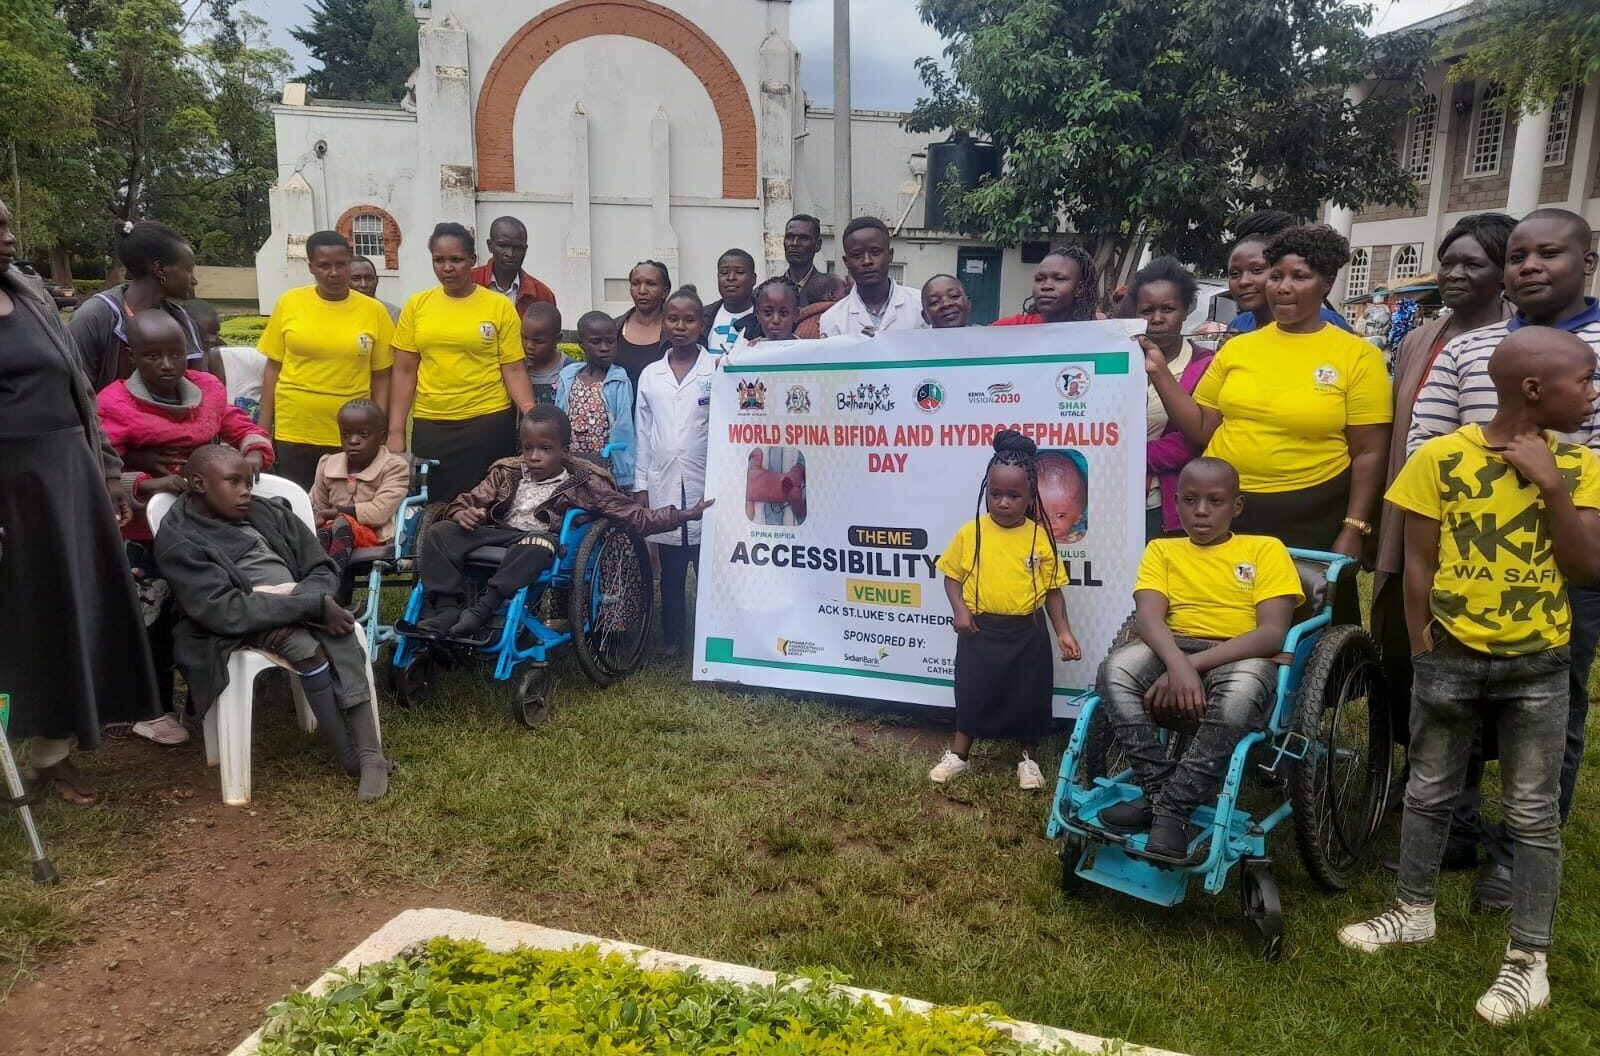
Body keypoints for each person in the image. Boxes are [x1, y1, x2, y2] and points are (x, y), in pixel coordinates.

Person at [1339, 327, 1600, 1025]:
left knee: (1532, 813)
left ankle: (1527, 960)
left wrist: (1549, 483)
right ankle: (1413, 908)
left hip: (1538, 665)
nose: (1594, 394)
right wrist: (1424, 643)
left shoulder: (1580, 466)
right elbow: (1420, 560)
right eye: (1587, 380)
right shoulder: (1439, 460)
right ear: (1536, 389)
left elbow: (1587, 566)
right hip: (1448, 658)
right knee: (1428, 790)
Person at [1407, 207, 1600, 914]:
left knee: (1554, 705)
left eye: (1548, 253)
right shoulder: (1473, 349)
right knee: (1453, 697)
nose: (1528, 266)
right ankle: (1452, 826)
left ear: (1587, 259)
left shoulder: (1593, 360)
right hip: (1464, 561)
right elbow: (1425, 439)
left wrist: (1551, 489)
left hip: (1563, 560)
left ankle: (1518, 853)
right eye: (1518, 254)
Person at [0, 198, 158, 804]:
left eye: (10, 224)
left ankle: (52, 756)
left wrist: (109, 472)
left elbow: (80, 392)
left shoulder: (30, 293)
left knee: (69, 608)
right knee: (18, 619)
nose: (11, 239)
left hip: (66, 474)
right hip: (9, 486)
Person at [1373, 213, 1515, 868]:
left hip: (1477, 538)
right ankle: (1416, 774)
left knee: (1466, 670)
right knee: (1406, 654)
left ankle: (1460, 808)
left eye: (1473, 264)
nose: (1456, 274)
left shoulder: (1516, 343)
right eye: (1449, 261)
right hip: (1410, 520)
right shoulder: (1421, 336)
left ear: (1503, 272)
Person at [155, 445, 392, 801]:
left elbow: (320, 565)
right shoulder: (179, 539)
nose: (245, 491)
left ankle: (370, 756)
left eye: (248, 482)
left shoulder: (266, 511)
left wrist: (309, 600)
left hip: (294, 599)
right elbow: (223, 609)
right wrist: (309, 606)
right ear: (198, 484)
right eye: (233, 482)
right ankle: (348, 756)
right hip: (231, 622)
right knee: (304, 648)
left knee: (341, 630)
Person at [1095, 457, 1301, 856]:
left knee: (1240, 697)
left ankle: (1172, 807)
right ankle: (1161, 792)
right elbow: (1149, 617)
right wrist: (1176, 663)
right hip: (1173, 645)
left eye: (1215, 501)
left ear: (1236, 506)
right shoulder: (1161, 550)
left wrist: (1189, 669)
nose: (1201, 511)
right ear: (1176, 503)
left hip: (1240, 651)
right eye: (1190, 500)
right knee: (1114, 670)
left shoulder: (1265, 550)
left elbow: (1272, 632)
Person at [1153, 225, 1391, 560]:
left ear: (1326, 283)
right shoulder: (1238, 347)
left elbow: (1370, 453)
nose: (1283, 288)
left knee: (1302, 610)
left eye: (1300, 277)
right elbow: (1203, 426)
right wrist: (1159, 373)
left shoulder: (1357, 356)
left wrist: (1353, 527)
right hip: (1232, 511)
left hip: (1312, 514)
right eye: (1277, 276)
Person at [97, 311, 276, 742]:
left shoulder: (208, 390)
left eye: (175, 354)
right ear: (131, 355)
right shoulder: (114, 403)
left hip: (206, 528)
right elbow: (100, 463)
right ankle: (151, 707)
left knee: (200, 609)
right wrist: (143, 480)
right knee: (151, 617)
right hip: (145, 529)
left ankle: (204, 698)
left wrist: (253, 451)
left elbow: (239, 426)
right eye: (152, 355)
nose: (166, 364)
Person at [414, 406, 711, 638]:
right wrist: (461, 512)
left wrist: (682, 515)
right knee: (440, 532)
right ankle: (446, 608)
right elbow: (467, 500)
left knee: (536, 543)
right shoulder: (505, 472)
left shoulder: (583, 482)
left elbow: (633, 515)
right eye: (527, 448)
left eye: (545, 449)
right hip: (497, 534)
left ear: (564, 452)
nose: (534, 456)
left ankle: (483, 608)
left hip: (539, 542)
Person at [928, 431, 1082, 790]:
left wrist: (1063, 631)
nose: (1003, 503)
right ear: (986, 491)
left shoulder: (1038, 537)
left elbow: (1053, 591)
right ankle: (960, 755)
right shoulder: (971, 532)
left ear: (1030, 498)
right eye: (995, 494)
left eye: (1014, 496)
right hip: (979, 631)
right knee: (972, 693)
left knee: (1029, 697)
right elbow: (952, 577)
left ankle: (1027, 761)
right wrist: (960, 611)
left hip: (1027, 634)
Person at [387, 222, 535, 504]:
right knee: (435, 506)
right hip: (432, 423)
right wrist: (395, 431)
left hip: (488, 421)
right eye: (439, 260)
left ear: (472, 260)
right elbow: (405, 370)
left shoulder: (498, 306)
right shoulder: (417, 306)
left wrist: (528, 411)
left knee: (485, 503)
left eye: (456, 259)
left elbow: (513, 367)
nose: (447, 268)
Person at [258, 230, 395, 489]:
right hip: (295, 427)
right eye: (324, 266)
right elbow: (273, 368)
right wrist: (263, 429)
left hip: (352, 433)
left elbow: (382, 376)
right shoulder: (290, 303)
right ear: (311, 267)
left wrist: (379, 429)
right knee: (296, 506)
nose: (333, 273)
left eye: (340, 264)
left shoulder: (373, 312)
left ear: (348, 262)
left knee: (345, 511)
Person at [636, 287, 717, 659]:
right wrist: (640, 485)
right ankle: (672, 638)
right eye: (673, 319)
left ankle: (710, 636)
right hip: (663, 480)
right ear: (663, 324)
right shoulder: (651, 375)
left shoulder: (716, 369)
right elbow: (642, 432)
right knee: (669, 572)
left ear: (702, 325)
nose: (680, 326)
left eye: (689, 320)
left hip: (705, 479)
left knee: (708, 570)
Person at [68, 219, 211, 390]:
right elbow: (74, 392)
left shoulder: (181, 320)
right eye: (188, 269)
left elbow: (204, 389)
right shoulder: (95, 317)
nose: (194, 280)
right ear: (159, 269)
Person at [1134, 258, 1215, 538]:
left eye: (1167, 309)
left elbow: (1192, 441)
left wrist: (1122, 456)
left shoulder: (1206, 365)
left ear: (1186, 310)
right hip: (1110, 502)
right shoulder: (1114, 362)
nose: (1157, 319)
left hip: (1168, 507)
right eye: (1147, 310)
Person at [310, 399, 412, 571]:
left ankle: (330, 583)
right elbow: (316, 506)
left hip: (374, 536)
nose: (353, 441)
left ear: (382, 437)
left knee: (342, 524)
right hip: (334, 532)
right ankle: (317, 583)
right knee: (320, 533)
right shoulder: (328, 465)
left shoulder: (394, 467)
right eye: (346, 434)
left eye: (363, 434)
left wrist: (334, 512)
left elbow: (379, 512)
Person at [1224, 211, 1353, 334]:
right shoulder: (1238, 325)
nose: (1244, 281)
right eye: (1234, 273)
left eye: (1257, 270)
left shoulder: (1328, 322)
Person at [555, 312, 636, 488]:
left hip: (605, 468)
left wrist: (625, 476)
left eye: (610, 341)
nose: (605, 348)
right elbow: (558, 421)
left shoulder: (618, 381)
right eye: (595, 342)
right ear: (581, 344)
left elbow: (624, 429)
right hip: (571, 466)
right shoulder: (568, 378)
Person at [818, 218, 927, 336]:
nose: (867, 261)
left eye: (875, 253)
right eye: (857, 255)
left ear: (890, 255)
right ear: (846, 262)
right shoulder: (832, 320)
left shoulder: (921, 305)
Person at [189, 299, 265, 423]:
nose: (211, 340)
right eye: (198, 336)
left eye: (215, 334)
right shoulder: (169, 380)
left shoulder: (251, 360)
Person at [993, 246, 1103, 326]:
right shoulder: (1007, 328)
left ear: (1079, 289)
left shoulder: (1098, 331)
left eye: (1059, 279)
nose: (1046, 286)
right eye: (1039, 279)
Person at [470, 215, 557, 315]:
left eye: (518, 247)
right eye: (503, 245)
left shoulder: (542, 294)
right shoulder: (468, 282)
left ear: (525, 249)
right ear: (490, 245)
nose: (510, 254)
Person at [615, 259, 671, 397]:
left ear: (665, 292)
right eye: (635, 284)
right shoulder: (614, 329)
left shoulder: (677, 332)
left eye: (651, 284)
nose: (642, 290)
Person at [702, 248, 758, 355]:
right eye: (724, 273)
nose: (731, 278)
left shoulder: (765, 319)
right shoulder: (702, 316)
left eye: (739, 272)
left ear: (753, 279)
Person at [521, 301, 576, 406]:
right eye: (525, 338)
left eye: (539, 341)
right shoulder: (517, 370)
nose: (529, 346)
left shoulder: (571, 371)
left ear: (557, 339)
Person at [780, 214, 836, 306]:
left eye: (803, 238)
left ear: (818, 245)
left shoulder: (831, 290)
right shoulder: (766, 291)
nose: (794, 243)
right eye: (790, 237)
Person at [795, 273, 850, 339]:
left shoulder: (799, 328)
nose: (849, 296)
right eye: (846, 292)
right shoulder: (841, 320)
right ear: (832, 295)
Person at [349, 255, 401, 322]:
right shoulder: (337, 312)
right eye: (356, 279)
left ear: (377, 280)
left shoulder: (394, 314)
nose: (363, 284)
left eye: (369, 279)